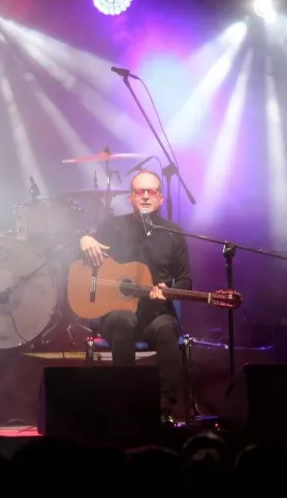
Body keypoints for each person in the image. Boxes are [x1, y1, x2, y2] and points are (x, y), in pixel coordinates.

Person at [79, 170, 191, 424]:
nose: (146, 196)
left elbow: (185, 279)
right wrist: (84, 239)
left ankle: (164, 407)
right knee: (122, 319)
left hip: (156, 314)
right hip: (116, 313)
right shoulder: (112, 227)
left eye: (151, 191)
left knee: (165, 328)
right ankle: (126, 401)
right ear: (131, 197)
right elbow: (82, 261)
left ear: (160, 198)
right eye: (140, 191)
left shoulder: (174, 233)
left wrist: (168, 291)